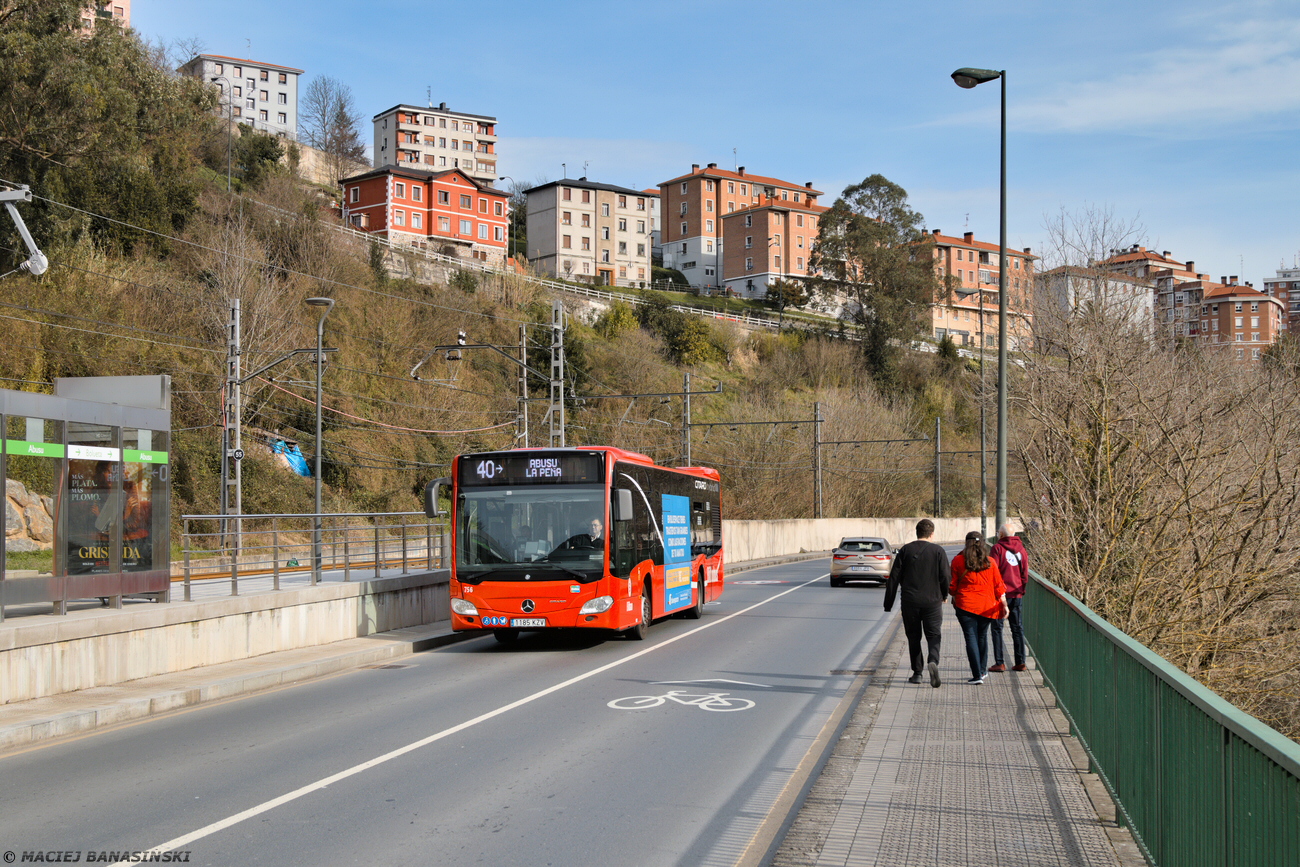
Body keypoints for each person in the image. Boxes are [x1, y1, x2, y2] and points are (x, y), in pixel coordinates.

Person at [884, 518, 949, 688]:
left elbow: (894, 578)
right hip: (933, 601)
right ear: (932, 533)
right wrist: (945, 594)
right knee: (934, 635)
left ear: (916, 532)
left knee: (914, 637)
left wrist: (888, 603)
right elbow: (945, 576)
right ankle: (933, 660)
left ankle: (917, 673)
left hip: (910, 601)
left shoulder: (906, 550)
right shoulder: (938, 551)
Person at [950, 531, 1009, 684]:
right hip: (986, 606)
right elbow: (998, 585)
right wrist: (1004, 603)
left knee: (971, 638)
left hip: (965, 605)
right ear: (982, 543)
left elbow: (952, 586)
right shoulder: (990, 562)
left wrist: (952, 594)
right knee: (982, 637)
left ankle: (977, 675)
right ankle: (982, 671)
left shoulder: (958, 561)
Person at [990, 524, 1029, 671]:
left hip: (1001, 595)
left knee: (997, 628)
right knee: (1017, 627)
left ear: (1000, 534)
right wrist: (1022, 589)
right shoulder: (1022, 549)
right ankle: (1020, 661)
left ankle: (999, 662)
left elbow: (993, 572)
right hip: (1017, 593)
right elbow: (1025, 573)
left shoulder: (997, 549)